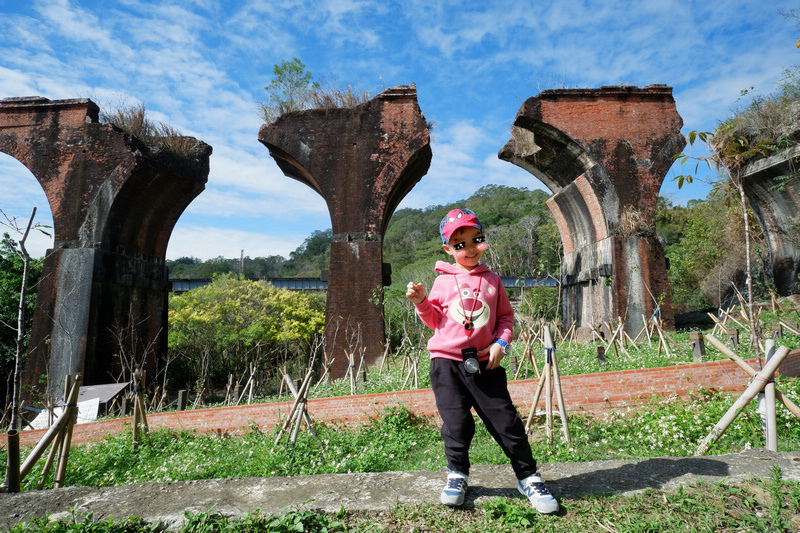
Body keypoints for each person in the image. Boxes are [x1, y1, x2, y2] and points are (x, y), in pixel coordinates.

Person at [405, 208, 558, 513]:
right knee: (457, 424)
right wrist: (421, 302)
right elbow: (435, 321)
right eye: (460, 245)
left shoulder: (492, 280)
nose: (470, 249)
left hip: (486, 363)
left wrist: (502, 341)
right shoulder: (442, 282)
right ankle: (457, 474)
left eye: (476, 240)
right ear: (448, 249)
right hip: (446, 363)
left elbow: (505, 317)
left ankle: (528, 477)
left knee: (506, 422)